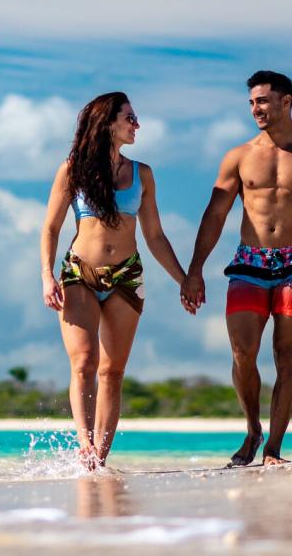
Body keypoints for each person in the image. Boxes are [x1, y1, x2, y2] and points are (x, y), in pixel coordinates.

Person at [40, 91, 192, 469]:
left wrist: (184, 279)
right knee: (85, 362)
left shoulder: (143, 174)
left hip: (127, 276)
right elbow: (51, 227)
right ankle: (84, 444)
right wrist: (47, 276)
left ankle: (99, 461)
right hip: (79, 274)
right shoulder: (72, 169)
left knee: (113, 371)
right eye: (130, 117)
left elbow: (155, 236)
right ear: (108, 123)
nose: (136, 124)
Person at [181, 70, 292, 467]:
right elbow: (215, 214)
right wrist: (195, 269)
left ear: (286, 101)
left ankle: (274, 448)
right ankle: (252, 428)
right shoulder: (239, 156)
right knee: (243, 352)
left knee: (287, 357)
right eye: (251, 103)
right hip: (250, 262)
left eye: (262, 100)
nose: (256, 109)